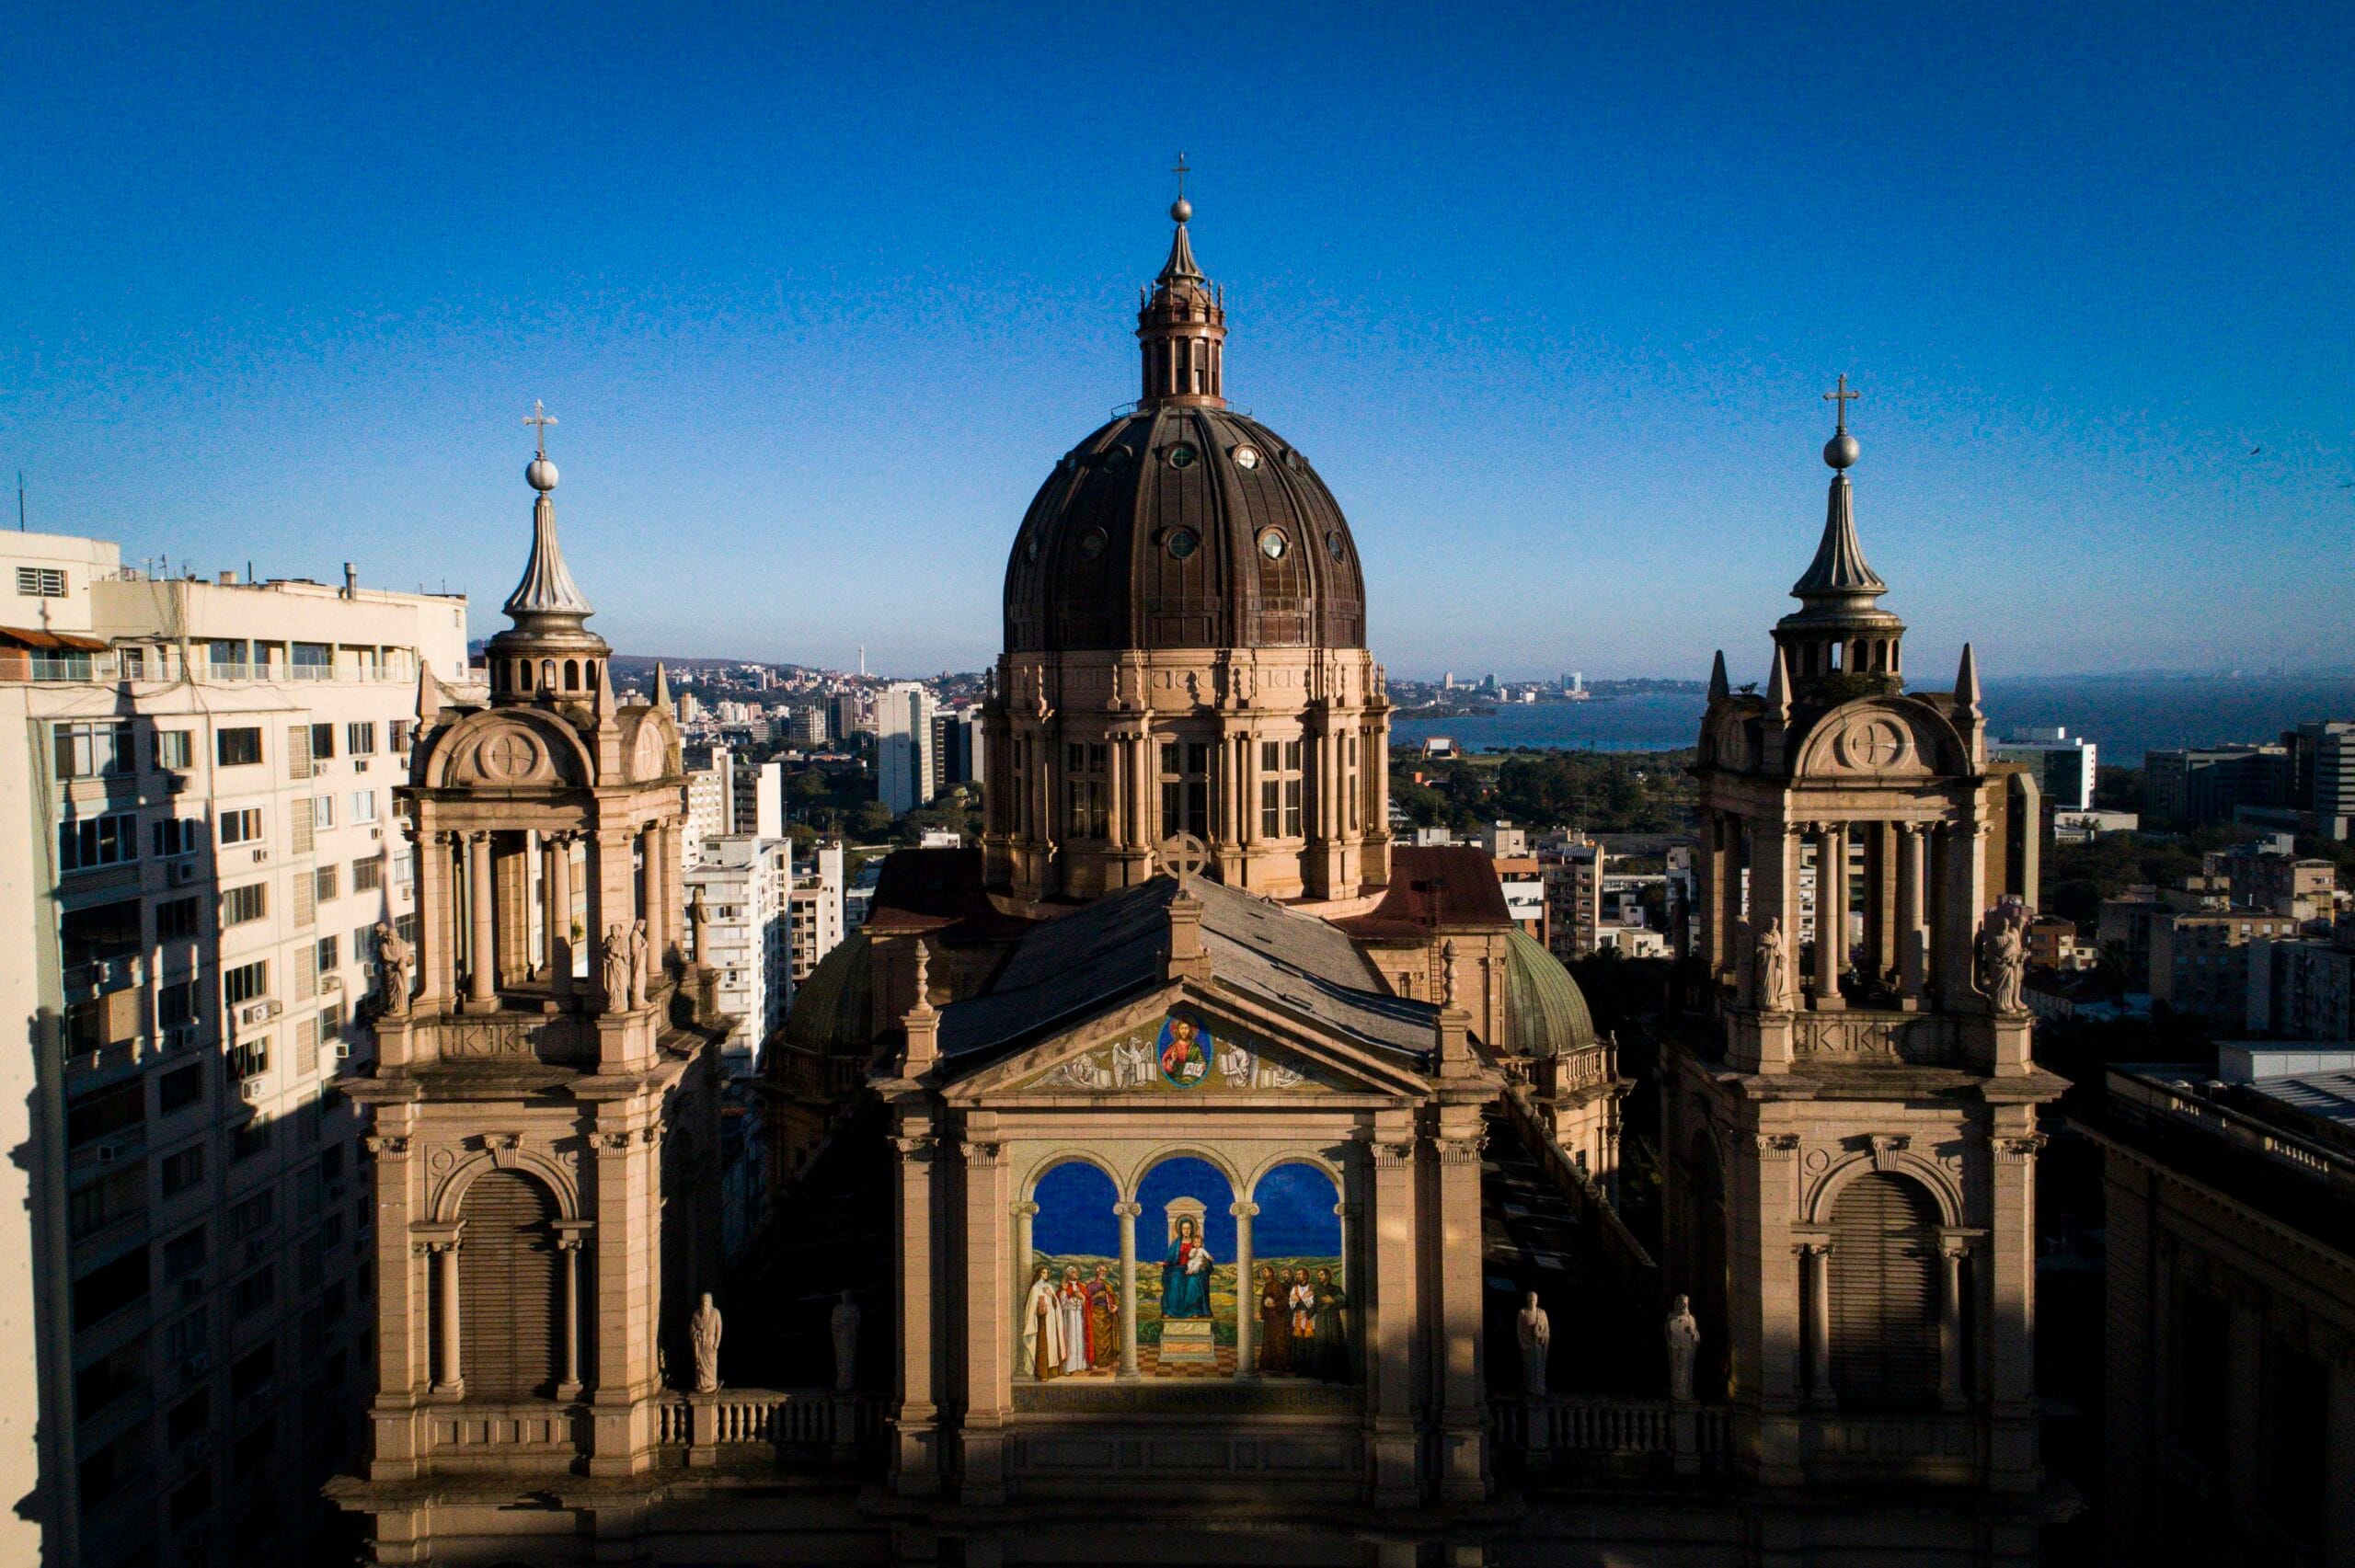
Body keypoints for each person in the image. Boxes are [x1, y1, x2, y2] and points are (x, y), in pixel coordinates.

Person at [1160, 1217, 1212, 1319]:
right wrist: (1164, 1263)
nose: (1186, 1231)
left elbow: (1204, 1257)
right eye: (1184, 1228)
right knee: (1175, 1281)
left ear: (1192, 1229)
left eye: (1188, 1228)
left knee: (1193, 1282)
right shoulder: (1176, 1243)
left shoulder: (1196, 1243)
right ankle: (1171, 1311)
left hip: (1192, 1269)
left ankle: (1193, 1310)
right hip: (1178, 1269)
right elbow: (1170, 1258)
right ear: (1180, 1229)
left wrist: (1204, 1263)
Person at [1022, 1264, 1063, 1380]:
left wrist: (1051, 1296)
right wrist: (1040, 1309)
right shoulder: (1035, 1288)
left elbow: (1056, 1304)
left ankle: (1052, 1372)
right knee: (1043, 1347)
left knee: (1053, 1346)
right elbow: (1031, 1308)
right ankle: (1042, 1373)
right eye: (1043, 1272)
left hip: (1051, 1322)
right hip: (1042, 1323)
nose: (1046, 1274)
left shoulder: (1049, 1287)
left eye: (1047, 1273)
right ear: (1039, 1273)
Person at [1310, 1267, 1350, 1381]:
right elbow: (1314, 1305)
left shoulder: (1336, 1289)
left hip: (1332, 1320)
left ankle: (1337, 1375)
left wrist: (1333, 1301)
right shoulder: (1317, 1290)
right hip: (1321, 1321)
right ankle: (1322, 1375)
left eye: (1321, 1274)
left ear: (1327, 1276)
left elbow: (1345, 1301)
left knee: (1335, 1344)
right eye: (1318, 1275)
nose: (1319, 1277)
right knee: (1322, 1346)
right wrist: (1308, 1316)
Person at [1257, 1267, 1292, 1375]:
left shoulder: (1278, 1284)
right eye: (1263, 1272)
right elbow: (1263, 1301)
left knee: (1279, 1340)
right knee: (1268, 1340)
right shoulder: (1267, 1285)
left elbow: (1286, 1299)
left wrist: (1275, 1304)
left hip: (1278, 1317)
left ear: (1271, 1273)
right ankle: (1269, 1364)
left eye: (1265, 1271)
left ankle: (1281, 1365)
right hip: (1269, 1317)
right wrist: (1261, 1312)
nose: (1263, 1273)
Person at [1058, 1265, 1092, 1375]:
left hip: (1079, 1315)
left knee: (1080, 1339)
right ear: (1068, 1274)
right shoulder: (1064, 1286)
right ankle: (1069, 1367)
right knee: (1070, 1339)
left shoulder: (1081, 1287)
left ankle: (1081, 1364)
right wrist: (1066, 1292)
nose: (1076, 1274)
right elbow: (1060, 1303)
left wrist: (1082, 1297)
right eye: (1073, 1272)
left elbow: (1088, 1301)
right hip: (1069, 1316)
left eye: (1077, 1272)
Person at [1086, 1265, 1120, 1370]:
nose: (1104, 1273)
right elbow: (1086, 1301)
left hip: (1107, 1314)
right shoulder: (1090, 1286)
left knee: (1107, 1339)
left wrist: (1116, 1306)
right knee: (1097, 1340)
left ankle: (1108, 1360)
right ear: (1096, 1272)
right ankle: (1096, 1361)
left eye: (1105, 1271)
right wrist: (1097, 1295)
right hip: (1095, 1315)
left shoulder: (1108, 1286)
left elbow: (1115, 1298)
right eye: (1102, 1270)